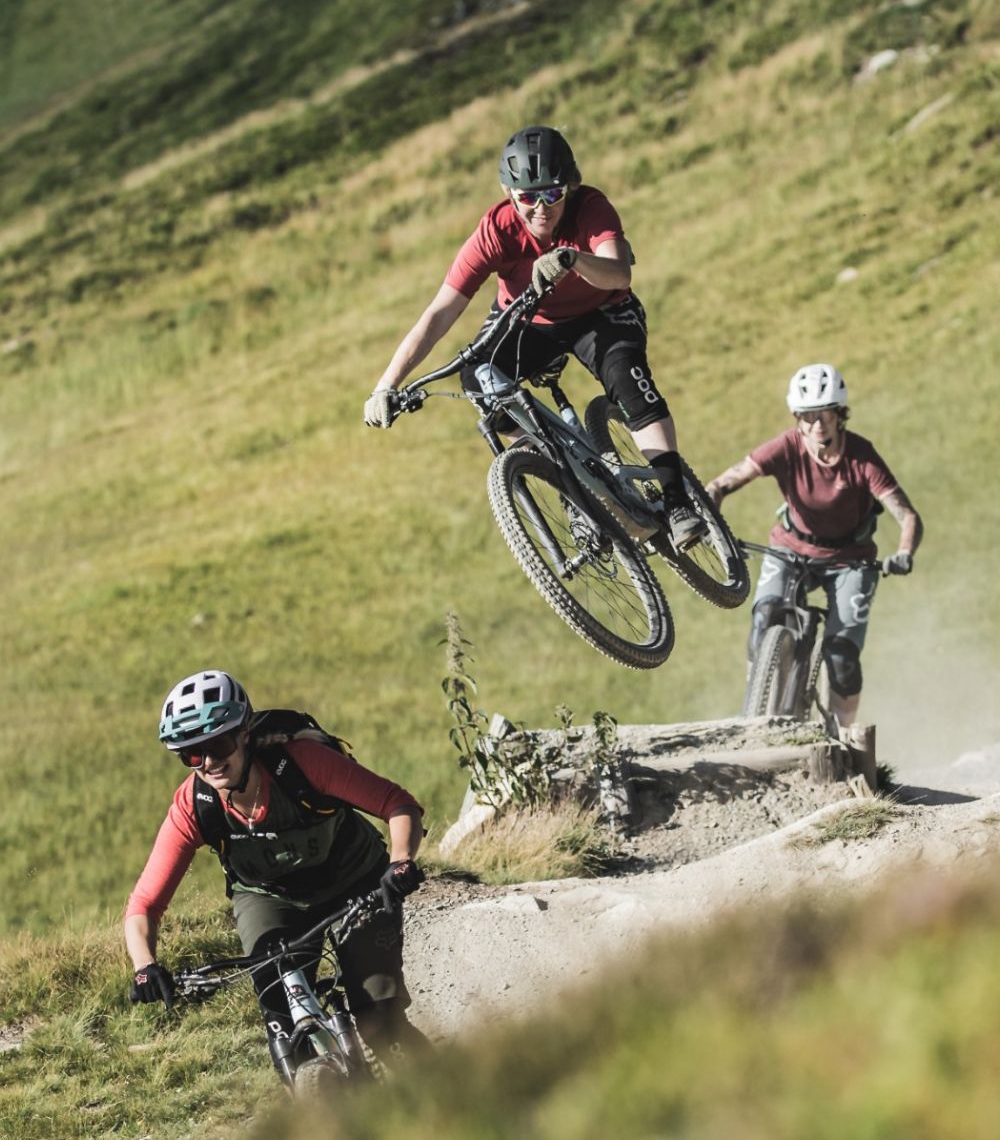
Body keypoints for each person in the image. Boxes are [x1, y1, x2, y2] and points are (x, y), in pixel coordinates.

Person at [364, 123, 703, 549]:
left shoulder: (591, 208)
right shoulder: (495, 232)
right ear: (510, 195)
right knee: (477, 380)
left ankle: (677, 501)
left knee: (625, 377)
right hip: (530, 322)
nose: (540, 208)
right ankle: (572, 488)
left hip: (604, 313)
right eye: (528, 197)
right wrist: (386, 385)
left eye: (552, 194)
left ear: (570, 188)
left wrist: (572, 259)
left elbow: (619, 273)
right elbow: (439, 312)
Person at [125, 669, 430, 1085]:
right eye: (192, 755)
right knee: (283, 1022)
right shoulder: (194, 806)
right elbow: (144, 904)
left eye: (217, 744)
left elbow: (398, 804)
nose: (209, 763)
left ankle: (451, 1098)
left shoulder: (303, 766)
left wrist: (400, 862)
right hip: (269, 898)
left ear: (244, 733)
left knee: (379, 1017)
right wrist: (145, 966)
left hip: (356, 882)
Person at [704, 363, 923, 728]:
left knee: (842, 659)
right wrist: (709, 520)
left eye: (825, 414)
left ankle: (846, 737)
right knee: (764, 618)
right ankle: (754, 704)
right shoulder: (786, 447)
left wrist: (903, 553)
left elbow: (909, 517)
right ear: (797, 418)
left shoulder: (862, 457)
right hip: (790, 549)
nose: (817, 424)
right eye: (808, 416)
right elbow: (722, 484)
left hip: (850, 561)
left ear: (840, 416)